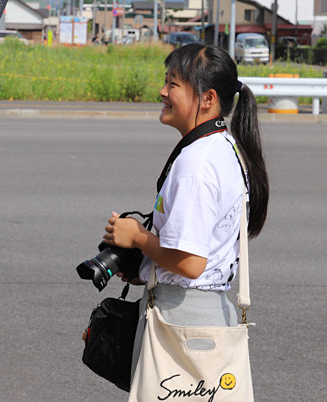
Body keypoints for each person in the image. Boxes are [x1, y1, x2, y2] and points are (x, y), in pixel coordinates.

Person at [103, 43, 269, 380]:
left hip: (183, 320)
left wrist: (138, 238)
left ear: (207, 99)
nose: (162, 92)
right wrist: (146, 268)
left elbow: (191, 263)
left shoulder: (197, 162)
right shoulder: (225, 146)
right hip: (208, 311)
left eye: (173, 84)